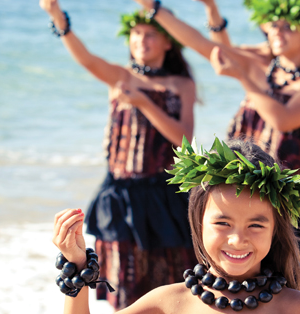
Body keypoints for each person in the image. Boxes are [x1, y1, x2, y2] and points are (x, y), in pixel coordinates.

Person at [132, 1, 300, 313]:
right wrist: (162, 8)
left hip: (284, 207)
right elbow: (206, 47)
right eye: (273, 25)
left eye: (287, 26)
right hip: (238, 206)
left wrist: (244, 78)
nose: (277, 31)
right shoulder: (263, 67)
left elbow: (284, 119)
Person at [38, 0, 198, 309]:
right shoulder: (119, 77)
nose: (141, 40)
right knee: (124, 279)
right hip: (120, 194)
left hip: (164, 194)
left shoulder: (181, 84)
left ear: (168, 41)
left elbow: (184, 139)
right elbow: (86, 59)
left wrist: (143, 103)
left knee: (169, 279)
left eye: (150, 34)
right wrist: (57, 17)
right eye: (136, 33)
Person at [51, 138, 300, 313]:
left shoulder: (292, 306)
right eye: (223, 223)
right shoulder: (169, 303)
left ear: (275, 230)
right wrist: (77, 266)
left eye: (256, 226)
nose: (238, 240)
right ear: (198, 222)